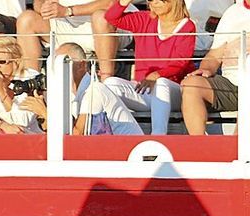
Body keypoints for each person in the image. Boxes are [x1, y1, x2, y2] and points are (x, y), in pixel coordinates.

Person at [100, 0, 194, 135]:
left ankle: (158, 135)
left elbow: (180, 63)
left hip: (173, 91)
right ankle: (126, 133)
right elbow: (111, 17)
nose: (154, 2)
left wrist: (156, 75)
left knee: (161, 83)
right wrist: (124, 1)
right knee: (109, 84)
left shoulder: (187, 26)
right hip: (144, 90)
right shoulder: (144, 19)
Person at [19, 43, 141, 135]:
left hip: (125, 150)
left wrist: (44, 111)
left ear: (82, 65)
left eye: (65, 63)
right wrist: (42, 114)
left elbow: (78, 136)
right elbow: (58, 131)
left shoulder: (95, 90)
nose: (59, 69)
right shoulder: (71, 95)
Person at [180, 0, 249, 136]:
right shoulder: (233, 12)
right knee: (191, 85)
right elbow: (214, 55)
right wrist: (206, 68)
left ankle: (238, 147)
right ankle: (200, 148)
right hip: (230, 85)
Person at [15, 0, 133, 74]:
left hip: (112, 23)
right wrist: (44, 8)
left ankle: (107, 79)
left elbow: (112, 3)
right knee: (26, 19)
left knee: (101, 17)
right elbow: (39, 2)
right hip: (66, 23)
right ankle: (31, 80)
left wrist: (69, 11)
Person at [0, 37, 42, 134]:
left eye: (2, 62)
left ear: (16, 62)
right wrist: (3, 126)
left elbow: (22, 121)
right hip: (3, 129)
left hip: (29, 132)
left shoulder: (30, 80)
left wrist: (1, 93)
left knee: (18, 132)